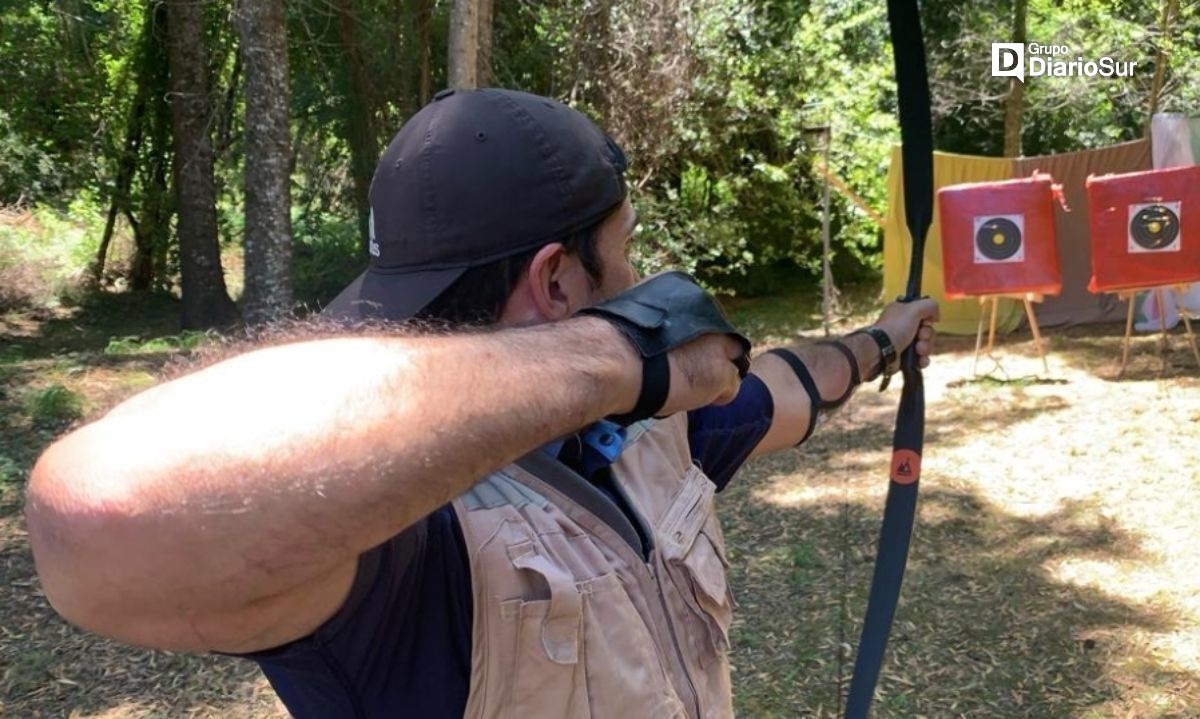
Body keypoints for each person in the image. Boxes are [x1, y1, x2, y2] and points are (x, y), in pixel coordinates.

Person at [25, 89, 937, 718]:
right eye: (622, 250)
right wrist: (626, 352)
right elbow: (100, 512)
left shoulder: (651, 435)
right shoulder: (395, 536)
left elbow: (785, 386)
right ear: (557, 281)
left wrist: (884, 339)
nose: (635, 276)